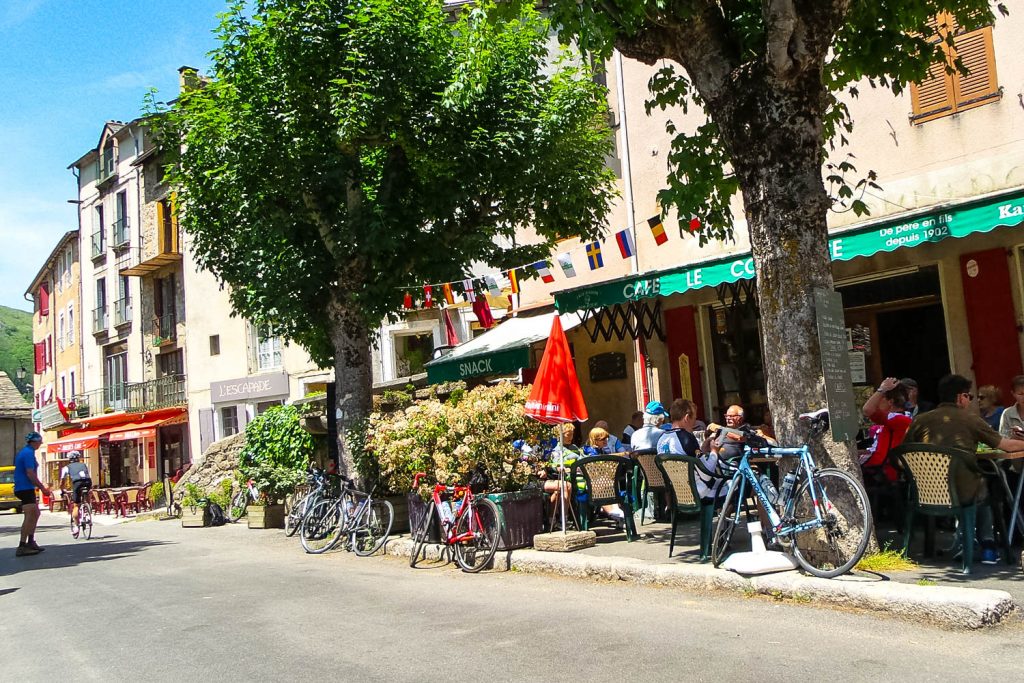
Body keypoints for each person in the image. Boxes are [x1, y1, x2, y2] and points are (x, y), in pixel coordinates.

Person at [904, 374, 1024, 565]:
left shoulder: (919, 420)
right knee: (985, 486)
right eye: (969, 396)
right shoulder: (970, 419)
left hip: (924, 493)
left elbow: (902, 454)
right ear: (960, 397)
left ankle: (966, 543)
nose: (971, 400)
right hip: (961, 493)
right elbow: (1006, 446)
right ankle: (988, 545)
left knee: (975, 481)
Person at [657, 399, 728, 502]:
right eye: (694, 418)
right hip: (699, 493)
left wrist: (702, 449)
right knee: (738, 483)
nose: (695, 422)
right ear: (686, 418)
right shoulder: (687, 438)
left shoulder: (662, 439)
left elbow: (688, 457)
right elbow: (707, 474)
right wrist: (714, 451)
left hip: (677, 494)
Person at [860, 377, 912, 481]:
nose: (877, 403)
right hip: (879, 470)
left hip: (884, 476)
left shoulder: (898, 419)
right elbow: (880, 450)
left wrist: (882, 389)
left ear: (890, 402)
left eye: (880, 398)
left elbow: (867, 410)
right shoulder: (892, 421)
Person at [13, 432, 52, 557]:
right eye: (39, 442)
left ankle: (30, 541)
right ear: (34, 442)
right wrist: (42, 488)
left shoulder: (27, 452)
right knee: (30, 515)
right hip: (24, 487)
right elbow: (30, 473)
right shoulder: (28, 453)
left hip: (25, 487)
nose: (40, 444)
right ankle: (22, 545)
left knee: (36, 513)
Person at [60, 451, 93, 531]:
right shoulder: (83, 465)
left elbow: (62, 481)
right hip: (88, 481)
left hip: (77, 483)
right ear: (78, 458)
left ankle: (76, 526)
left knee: (76, 505)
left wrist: (62, 490)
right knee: (87, 493)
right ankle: (88, 510)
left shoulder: (67, 467)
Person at [997, 375, 1024, 439]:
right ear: (1013, 394)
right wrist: (1012, 436)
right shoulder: (1007, 413)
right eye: (1020, 394)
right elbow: (1002, 437)